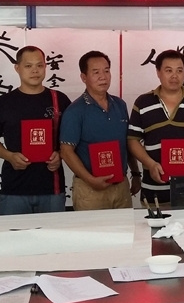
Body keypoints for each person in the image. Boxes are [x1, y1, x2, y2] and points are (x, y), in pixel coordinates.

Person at [0, 46, 71, 215]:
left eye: (39, 65)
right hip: (14, 189)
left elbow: (72, 138)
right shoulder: (3, 103)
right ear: (17, 68)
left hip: (51, 189)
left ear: (45, 67)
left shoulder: (59, 100)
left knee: (52, 232)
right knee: (12, 232)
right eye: (28, 66)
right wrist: (9, 156)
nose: (35, 71)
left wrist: (60, 154)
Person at [127, 49, 184, 204]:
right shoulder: (143, 102)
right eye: (168, 70)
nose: (175, 76)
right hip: (153, 191)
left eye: (179, 71)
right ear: (158, 72)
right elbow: (133, 140)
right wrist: (150, 164)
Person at [59, 51, 141, 210]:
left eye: (106, 71)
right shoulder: (75, 111)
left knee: (124, 227)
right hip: (90, 189)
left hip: (121, 185)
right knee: (93, 227)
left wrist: (136, 173)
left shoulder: (120, 105)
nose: (103, 77)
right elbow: (66, 151)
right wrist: (90, 180)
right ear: (84, 77)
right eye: (96, 72)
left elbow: (128, 143)